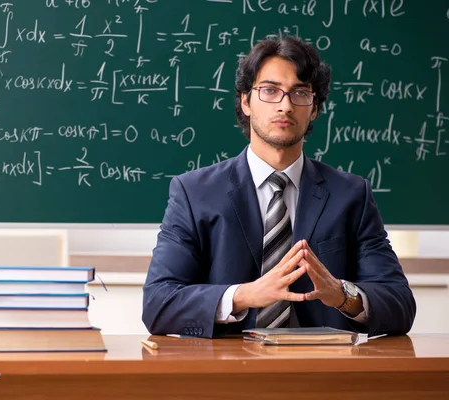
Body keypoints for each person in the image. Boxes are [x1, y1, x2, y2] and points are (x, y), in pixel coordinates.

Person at [142, 36, 416, 339]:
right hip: (227, 375)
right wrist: (244, 295)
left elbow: (400, 305)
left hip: (324, 374)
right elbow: (158, 304)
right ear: (246, 101)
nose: (285, 105)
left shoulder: (351, 196)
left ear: (314, 109)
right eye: (270, 91)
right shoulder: (193, 193)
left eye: (300, 93)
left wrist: (341, 294)